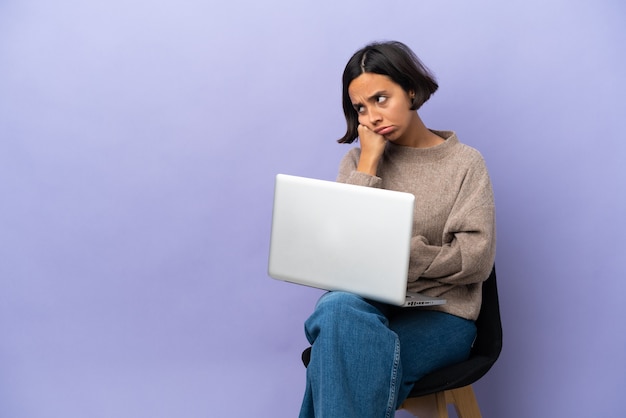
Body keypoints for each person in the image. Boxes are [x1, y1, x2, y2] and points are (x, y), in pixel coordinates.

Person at [298, 41, 496, 418]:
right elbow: (342, 255)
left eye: (380, 98)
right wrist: (370, 163)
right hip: (367, 307)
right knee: (338, 307)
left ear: (409, 88)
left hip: (443, 314)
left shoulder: (464, 163)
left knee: (339, 357)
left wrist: (395, 250)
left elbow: (475, 259)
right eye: (360, 108)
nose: (371, 116)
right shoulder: (357, 162)